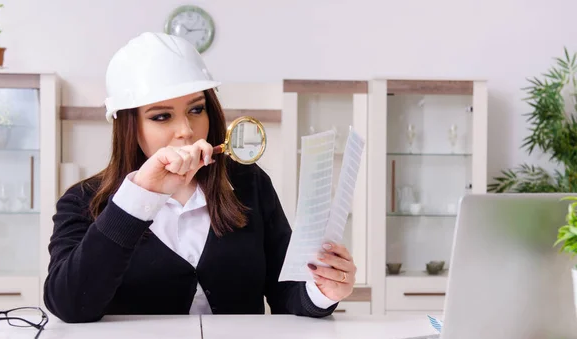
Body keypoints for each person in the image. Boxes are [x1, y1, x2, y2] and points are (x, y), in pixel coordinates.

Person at [43, 32, 357, 323]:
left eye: (196, 109)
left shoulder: (249, 184)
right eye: (162, 116)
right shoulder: (83, 201)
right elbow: (70, 305)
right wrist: (140, 196)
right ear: (129, 125)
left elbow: (287, 293)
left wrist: (323, 290)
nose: (187, 130)